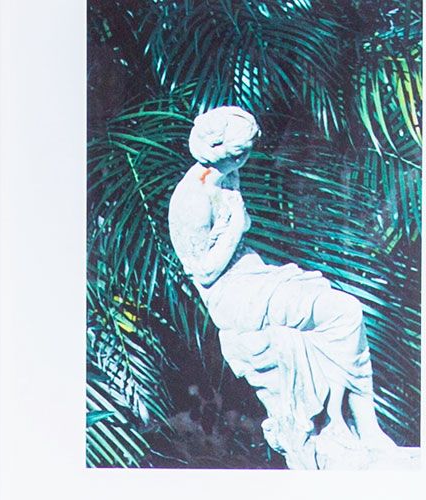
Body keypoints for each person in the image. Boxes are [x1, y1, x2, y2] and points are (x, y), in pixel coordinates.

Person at [168, 106, 396, 469]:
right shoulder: (191, 199)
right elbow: (204, 272)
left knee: (341, 307)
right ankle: (354, 425)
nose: (244, 160)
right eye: (239, 152)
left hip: (254, 276)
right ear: (217, 148)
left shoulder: (225, 174)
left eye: (246, 151)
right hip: (231, 296)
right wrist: (236, 227)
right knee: (344, 311)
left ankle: (360, 426)